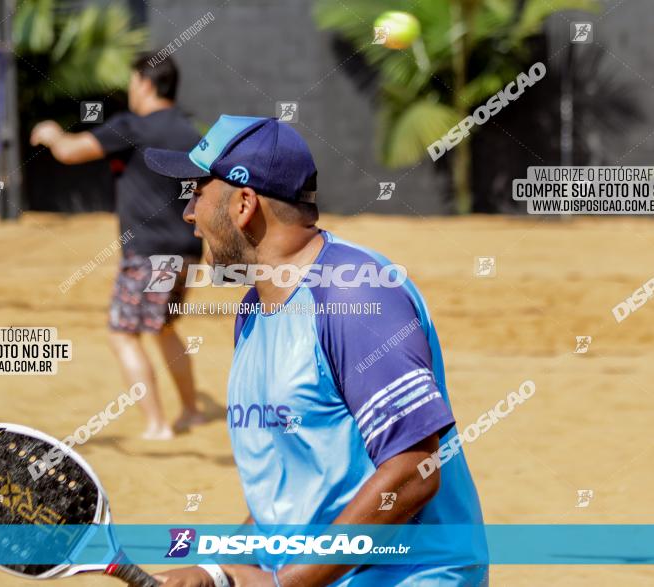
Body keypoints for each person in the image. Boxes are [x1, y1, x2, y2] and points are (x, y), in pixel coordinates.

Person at [143, 115, 488, 586]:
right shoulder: (254, 311)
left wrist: (287, 583)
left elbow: (415, 470)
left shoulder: (356, 298)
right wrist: (220, 572)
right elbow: (291, 493)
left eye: (197, 193)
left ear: (244, 204)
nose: (188, 214)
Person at [29, 51, 204, 440]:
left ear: (144, 82)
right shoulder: (190, 133)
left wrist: (52, 133)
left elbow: (72, 151)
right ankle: (192, 410)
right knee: (164, 327)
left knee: (122, 332)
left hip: (147, 251)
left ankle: (157, 425)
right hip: (187, 249)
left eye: (131, 81)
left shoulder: (134, 126)